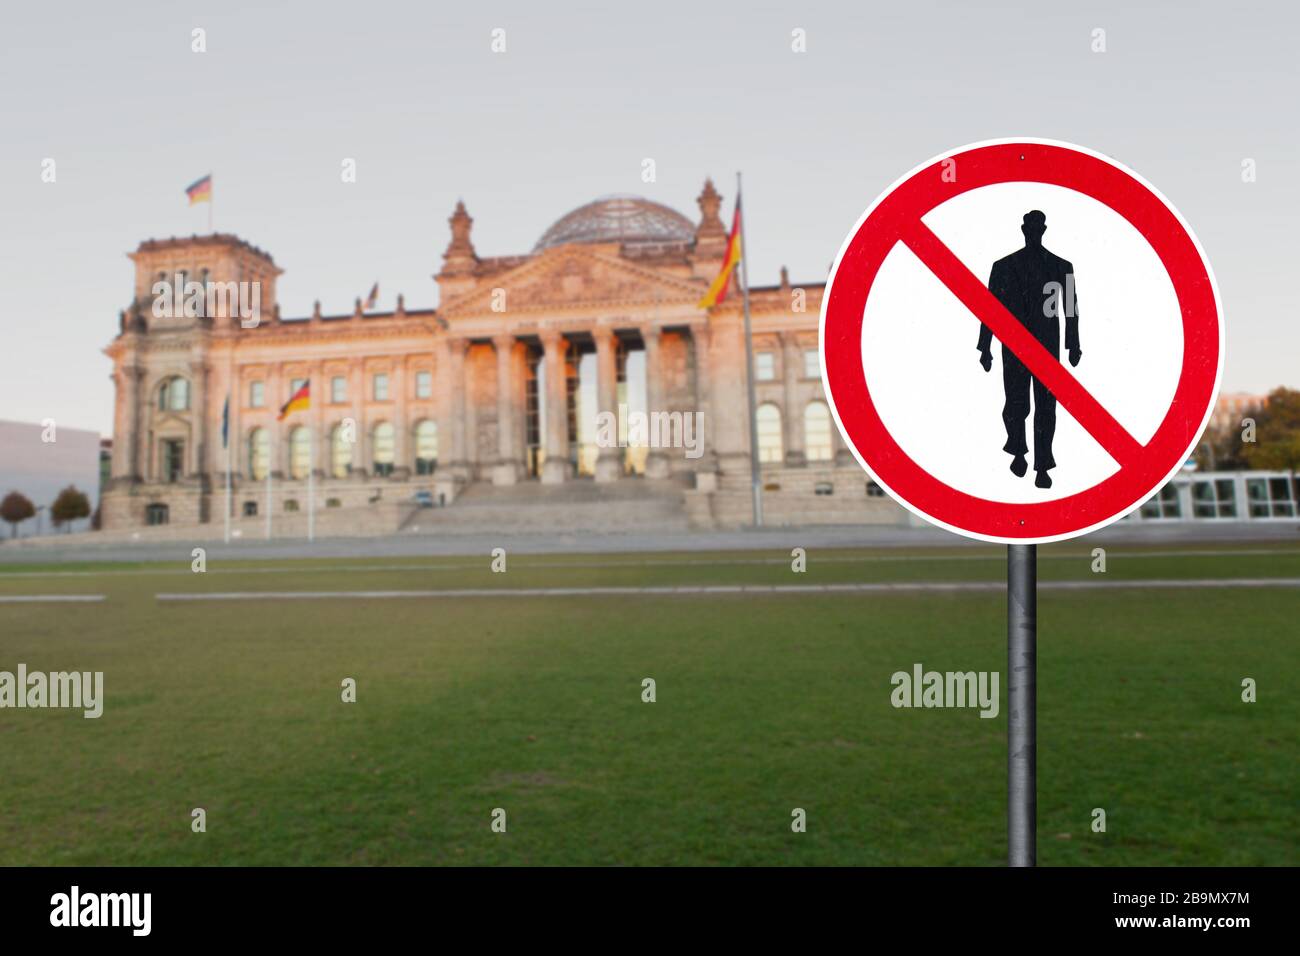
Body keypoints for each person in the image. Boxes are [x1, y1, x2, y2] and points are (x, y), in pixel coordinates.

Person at [977, 210, 1081, 489]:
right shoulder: (1003, 266)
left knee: (1046, 408)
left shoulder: (1063, 266)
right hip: (1013, 347)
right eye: (1030, 227)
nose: (1034, 231)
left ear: (1043, 229)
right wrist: (984, 346)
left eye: (1038, 227)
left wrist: (1074, 344)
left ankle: (1043, 466)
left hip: (1047, 348)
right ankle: (1019, 449)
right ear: (1024, 229)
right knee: (1015, 404)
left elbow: (1071, 309)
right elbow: (989, 309)